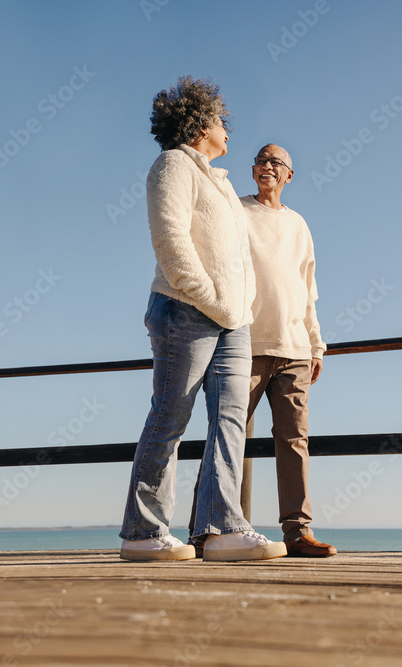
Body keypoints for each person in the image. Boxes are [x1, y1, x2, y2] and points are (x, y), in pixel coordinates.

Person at [119, 77, 287, 563]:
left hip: (233, 321)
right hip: (184, 310)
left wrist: (242, 305)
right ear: (197, 124)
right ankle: (143, 532)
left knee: (231, 422)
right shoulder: (173, 165)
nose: (228, 131)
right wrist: (210, 297)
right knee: (171, 416)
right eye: (221, 122)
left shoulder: (223, 183)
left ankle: (220, 529)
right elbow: (171, 241)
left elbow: (238, 258)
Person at [191, 143, 335, 557]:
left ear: (289, 175)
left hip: (294, 348)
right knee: (226, 435)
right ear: (253, 170)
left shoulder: (300, 226)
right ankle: (205, 530)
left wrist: (316, 346)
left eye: (276, 162)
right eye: (261, 160)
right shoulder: (235, 211)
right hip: (242, 343)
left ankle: (298, 532)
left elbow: (308, 293)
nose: (267, 166)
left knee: (294, 441)